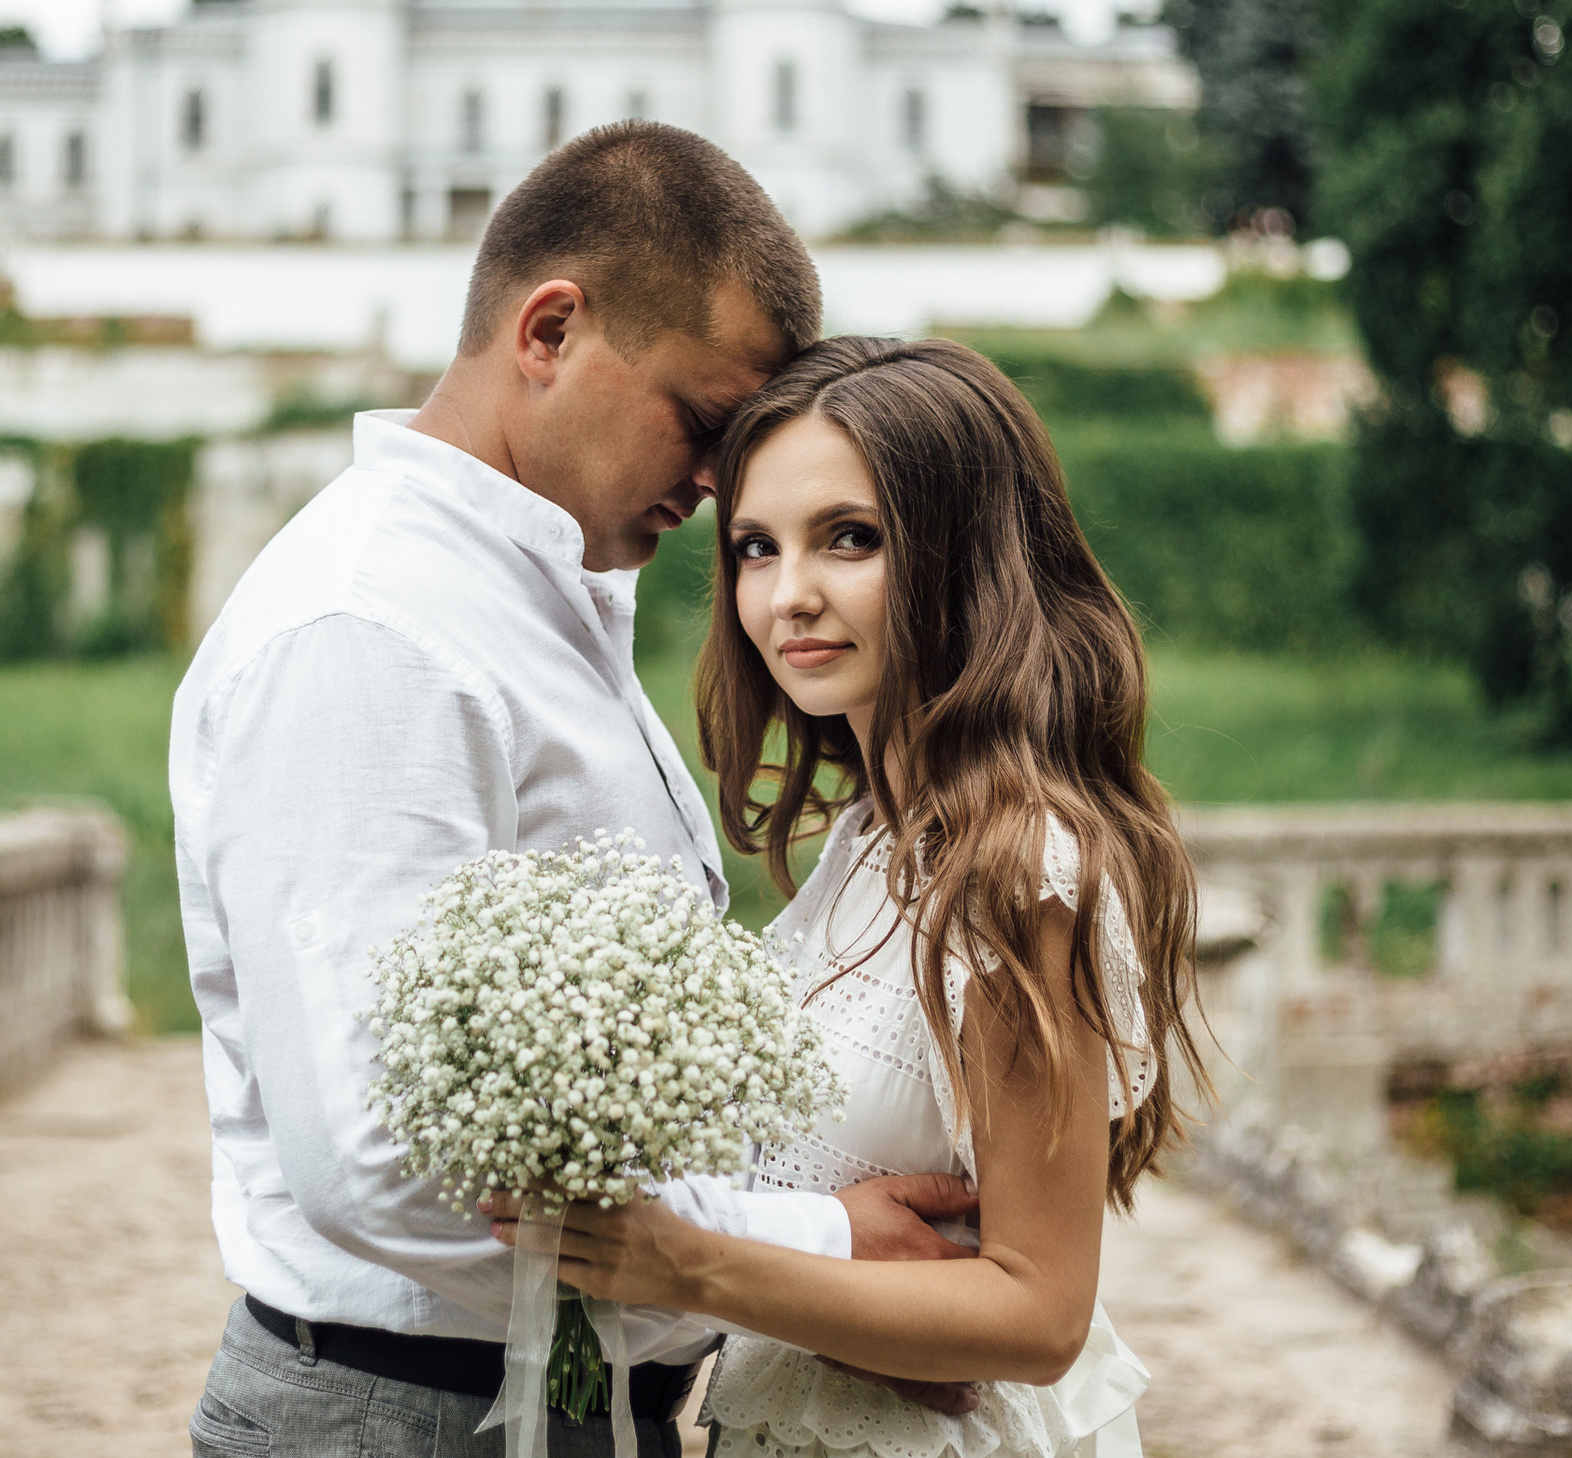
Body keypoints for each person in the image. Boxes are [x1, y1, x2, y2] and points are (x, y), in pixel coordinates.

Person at [172, 127, 985, 1458]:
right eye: (709, 420)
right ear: (548, 331)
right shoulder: (370, 629)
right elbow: (384, 1163)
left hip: (554, 1403)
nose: (728, 481)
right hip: (412, 1415)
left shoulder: (532, 605)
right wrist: (822, 1253)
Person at [486, 336, 1208, 1458]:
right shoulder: (870, 835)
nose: (789, 595)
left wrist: (685, 1259)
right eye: (755, 547)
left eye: (850, 539)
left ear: (964, 551)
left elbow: (1039, 1310)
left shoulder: (1021, 872)